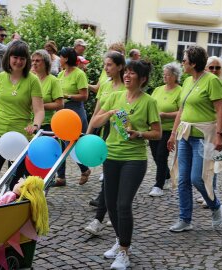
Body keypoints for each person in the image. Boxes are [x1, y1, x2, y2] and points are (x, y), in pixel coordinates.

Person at [90, 60, 161, 269]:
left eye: (132, 73)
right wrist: (109, 113)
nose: (128, 76)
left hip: (134, 159)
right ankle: (120, 240)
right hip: (111, 155)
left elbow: (156, 133)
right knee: (110, 204)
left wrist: (139, 133)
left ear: (143, 79)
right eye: (127, 72)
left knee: (123, 204)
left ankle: (124, 252)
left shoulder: (149, 102)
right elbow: (95, 122)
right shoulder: (114, 96)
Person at [167, 46, 222, 233]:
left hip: (203, 137)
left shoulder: (212, 81)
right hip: (185, 135)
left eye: (184, 60)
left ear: (193, 63)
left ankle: (215, 206)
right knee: (183, 179)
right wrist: (173, 134)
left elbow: (220, 110)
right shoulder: (187, 82)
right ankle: (185, 219)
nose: (182, 63)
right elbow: (182, 111)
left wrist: (220, 136)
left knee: (197, 179)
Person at [0, 40, 44, 198]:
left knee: (16, 181)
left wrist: (35, 125)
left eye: (22, 58)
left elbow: (39, 109)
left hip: (20, 136)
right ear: (8, 58)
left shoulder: (33, 81)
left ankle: (8, 210)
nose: (18, 61)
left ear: (26, 61)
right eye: (15, 57)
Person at [84, 51, 126, 235]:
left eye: (109, 65)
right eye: (105, 65)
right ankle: (101, 217)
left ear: (120, 66)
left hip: (122, 134)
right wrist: (88, 133)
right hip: (106, 132)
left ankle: (108, 214)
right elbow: (97, 112)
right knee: (108, 176)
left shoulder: (127, 86)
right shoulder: (105, 85)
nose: (106, 68)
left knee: (115, 178)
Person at [54, 47, 91, 186]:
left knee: (73, 145)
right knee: (61, 145)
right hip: (62, 113)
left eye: (61, 57)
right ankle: (61, 177)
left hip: (75, 112)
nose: (59, 59)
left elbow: (84, 96)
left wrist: (67, 96)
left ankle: (84, 169)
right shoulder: (60, 75)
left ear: (67, 58)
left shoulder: (79, 74)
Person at [148, 62, 182, 197]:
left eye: (168, 75)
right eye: (164, 74)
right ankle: (167, 175)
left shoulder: (180, 91)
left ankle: (158, 185)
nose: (165, 77)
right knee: (156, 155)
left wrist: (165, 115)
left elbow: (182, 112)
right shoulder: (158, 89)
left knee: (162, 155)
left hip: (169, 128)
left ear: (175, 76)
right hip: (155, 127)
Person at [31, 49, 64, 130]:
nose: (34, 63)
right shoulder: (30, 80)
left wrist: (39, 106)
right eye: (33, 60)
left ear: (46, 63)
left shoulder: (53, 81)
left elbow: (60, 105)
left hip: (46, 125)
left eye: (38, 61)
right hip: (29, 123)